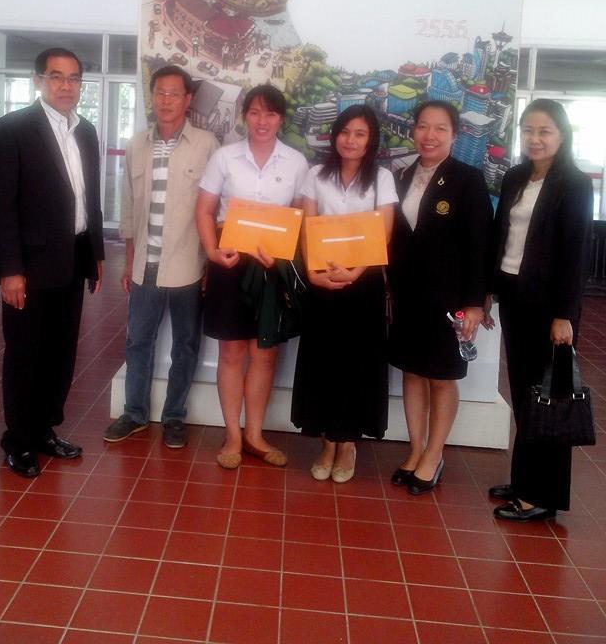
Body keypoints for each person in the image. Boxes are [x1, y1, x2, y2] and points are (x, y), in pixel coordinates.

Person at [0, 47, 104, 478]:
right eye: (56, 76)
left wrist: (96, 253)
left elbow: (89, 196)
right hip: (30, 268)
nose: (66, 86)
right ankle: (18, 441)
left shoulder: (85, 131)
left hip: (73, 257)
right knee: (25, 354)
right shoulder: (12, 129)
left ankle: (43, 430)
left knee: (60, 351)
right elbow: (1, 206)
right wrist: (10, 269)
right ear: (39, 80)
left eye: (73, 78)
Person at [488, 99, 593, 522]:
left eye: (544, 131)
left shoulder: (575, 184)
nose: (534, 138)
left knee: (549, 396)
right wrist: (489, 290)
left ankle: (541, 496)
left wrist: (565, 313)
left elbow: (576, 253)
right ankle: (524, 480)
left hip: (551, 308)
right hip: (515, 296)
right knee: (524, 392)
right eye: (528, 130)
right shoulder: (516, 176)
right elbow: (501, 237)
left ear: (562, 136)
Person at [104, 65, 218, 449]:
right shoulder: (136, 144)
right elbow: (129, 205)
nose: (166, 100)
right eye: (160, 93)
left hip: (189, 265)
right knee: (138, 341)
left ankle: (174, 417)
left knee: (185, 345)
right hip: (145, 265)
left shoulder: (206, 145)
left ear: (188, 99)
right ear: (151, 97)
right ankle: (134, 413)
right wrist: (130, 258)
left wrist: (210, 263)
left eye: (174, 93)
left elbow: (215, 209)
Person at [196, 84, 309, 469]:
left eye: (271, 113)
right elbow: (204, 210)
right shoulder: (225, 157)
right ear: (245, 115)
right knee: (231, 352)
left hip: (274, 267)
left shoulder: (296, 162)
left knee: (265, 353)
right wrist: (212, 252)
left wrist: (282, 252)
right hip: (229, 263)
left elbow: (300, 218)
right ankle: (232, 435)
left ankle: (255, 435)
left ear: (281, 118)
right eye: (256, 112)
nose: (263, 121)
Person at [388, 100, 492, 495]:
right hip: (407, 295)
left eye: (440, 128)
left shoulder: (468, 179)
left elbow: (481, 246)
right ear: (413, 130)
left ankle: (434, 454)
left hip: (449, 302)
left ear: (454, 135)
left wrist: (476, 303)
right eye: (422, 126)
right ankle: (415, 451)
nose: (429, 135)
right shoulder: (402, 175)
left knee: (442, 377)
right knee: (412, 372)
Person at [291, 105, 397, 483]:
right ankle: (326, 442)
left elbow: (384, 231)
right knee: (324, 361)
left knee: (358, 362)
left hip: (364, 284)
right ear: (335, 135)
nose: (351, 140)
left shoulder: (381, 177)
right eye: (345, 132)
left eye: (360, 134)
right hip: (322, 282)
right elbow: (307, 227)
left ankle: (348, 442)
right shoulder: (316, 175)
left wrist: (356, 271)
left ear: (371, 141)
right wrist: (313, 273)